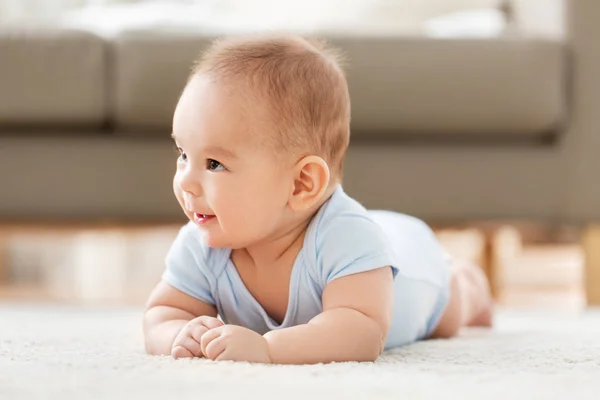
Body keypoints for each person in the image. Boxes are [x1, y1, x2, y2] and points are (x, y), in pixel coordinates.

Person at [143, 34, 493, 365]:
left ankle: (468, 280)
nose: (186, 182)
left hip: (415, 267)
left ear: (300, 185)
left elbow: (362, 332)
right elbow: (163, 314)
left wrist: (268, 348)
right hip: (371, 234)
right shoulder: (201, 241)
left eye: (214, 164)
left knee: (450, 311)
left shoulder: (346, 238)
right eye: (183, 154)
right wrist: (178, 334)